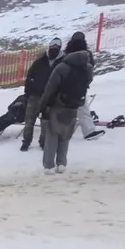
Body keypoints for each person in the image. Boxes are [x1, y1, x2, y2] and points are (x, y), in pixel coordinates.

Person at [39, 32, 94, 174]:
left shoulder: (62, 67)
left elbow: (50, 88)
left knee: (52, 135)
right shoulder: (87, 68)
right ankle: (61, 163)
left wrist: (43, 105)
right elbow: (88, 81)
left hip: (58, 106)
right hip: (74, 105)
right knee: (65, 136)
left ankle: (49, 166)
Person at [20, 37, 61, 152]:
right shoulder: (40, 61)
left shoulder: (61, 62)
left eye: (57, 46)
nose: (54, 48)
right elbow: (30, 76)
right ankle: (26, 141)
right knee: (29, 120)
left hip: (50, 97)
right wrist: (28, 92)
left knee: (45, 122)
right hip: (35, 95)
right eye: (52, 45)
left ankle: (43, 142)